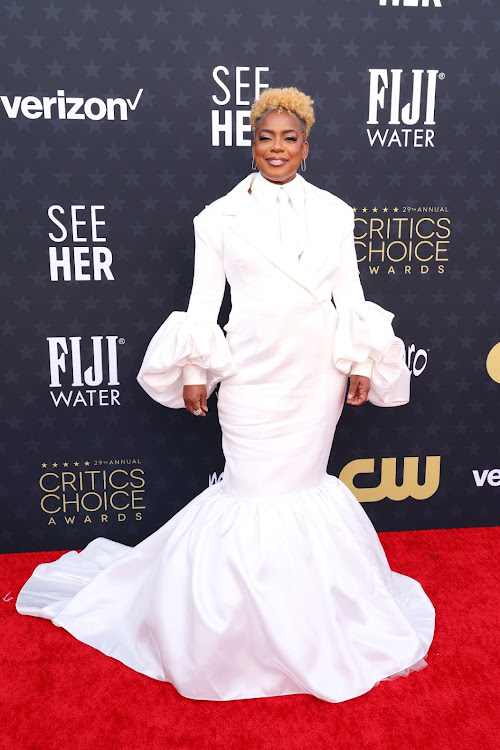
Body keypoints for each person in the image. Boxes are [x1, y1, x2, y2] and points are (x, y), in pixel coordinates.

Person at [17, 88, 435, 703]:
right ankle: (235, 631)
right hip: (252, 370)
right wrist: (194, 371)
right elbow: (203, 303)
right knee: (252, 490)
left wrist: (361, 362)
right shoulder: (216, 218)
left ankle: (309, 620)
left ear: (305, 147)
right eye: (266, 137)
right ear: (252, 142)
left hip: (315, 370)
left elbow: (351, 294)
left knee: (302, 485)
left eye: (288, 138)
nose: (276, 148)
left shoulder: (336, 213)